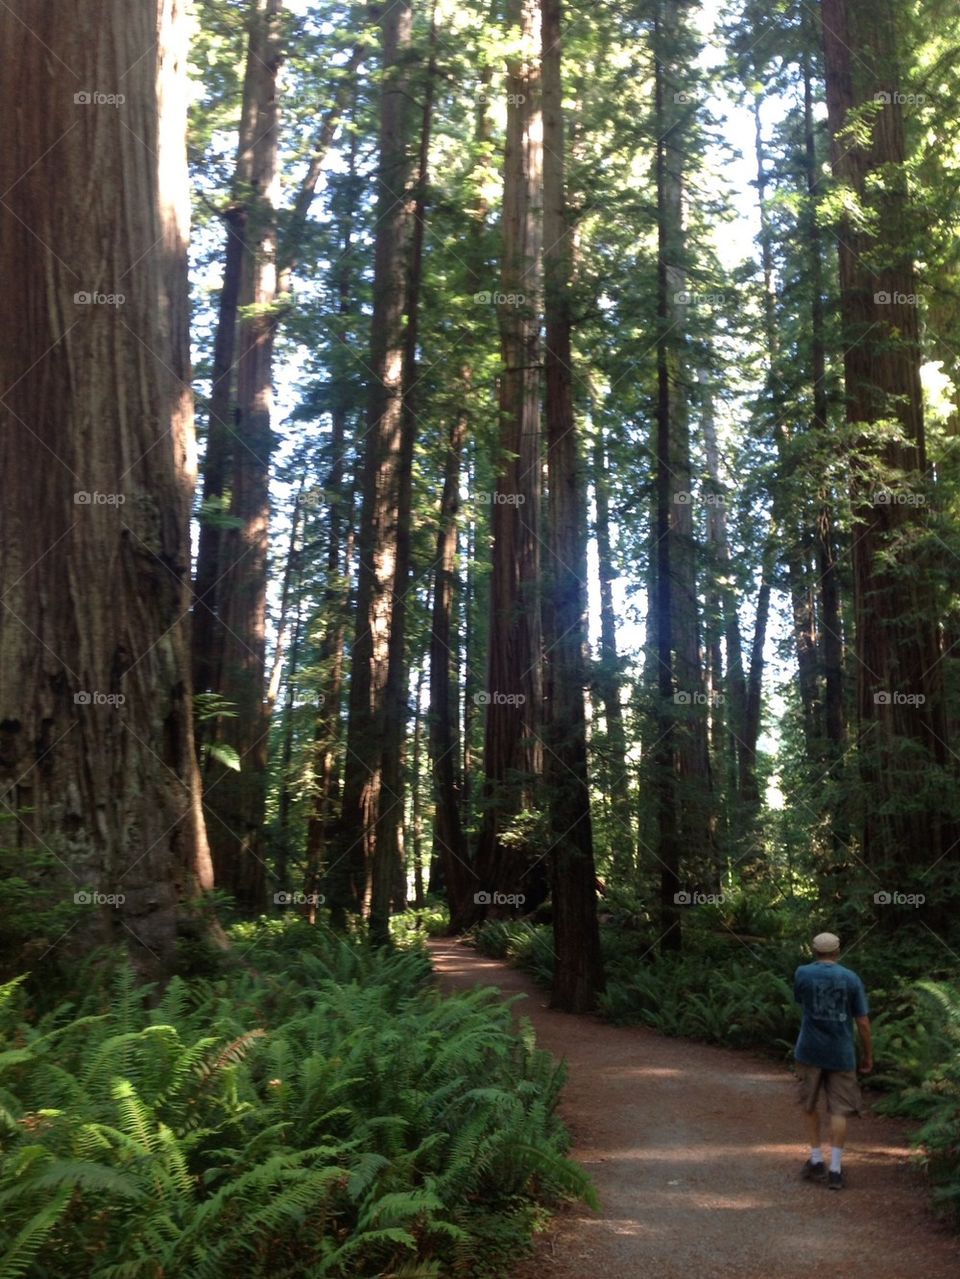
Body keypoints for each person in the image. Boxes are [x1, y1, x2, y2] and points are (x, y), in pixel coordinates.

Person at [793, 932, 872, 1190]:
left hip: (809, 1051)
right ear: (838, 951)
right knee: (839, 1110)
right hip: (842, 1053)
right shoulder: (851, 978)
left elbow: (800, 1001)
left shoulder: (802, 974)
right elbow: (862, 1022)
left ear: (814, 951)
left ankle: (816, 1160)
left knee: (809, 1104)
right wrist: (868, 1054)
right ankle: (836, 1169)